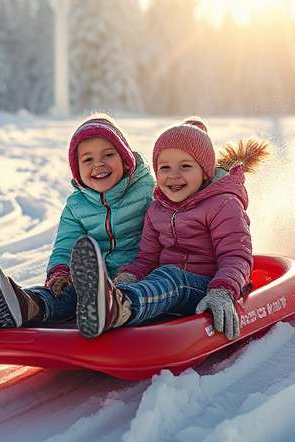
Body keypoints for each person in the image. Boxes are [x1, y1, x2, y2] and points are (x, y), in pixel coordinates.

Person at [70, 117, 269, 340]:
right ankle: (114, 300)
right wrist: (128, 277)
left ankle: (118, 309)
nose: (174, 175)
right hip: (164, 288)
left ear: (205, 171)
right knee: (161, 276)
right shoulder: (157, 210)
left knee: (171, 276)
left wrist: (222, 291)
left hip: (206, 289)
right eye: (165, 168)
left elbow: (236, 256)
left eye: (185, 166)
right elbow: (147, 258)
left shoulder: (223, 204)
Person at [0, 114, 155, 328]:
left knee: (141, 291)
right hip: (89, 283)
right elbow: (66, 244)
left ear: (125, 158)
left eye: (108, 155)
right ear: (77, 170)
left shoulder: (148, 192)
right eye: (87, 160)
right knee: (64, 294)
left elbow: (165, 236)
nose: (98, 164)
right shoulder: (76, 206)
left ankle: (111, 306)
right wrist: (60, 271)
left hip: (136, 278)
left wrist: (139, 271)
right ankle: (26, 305)